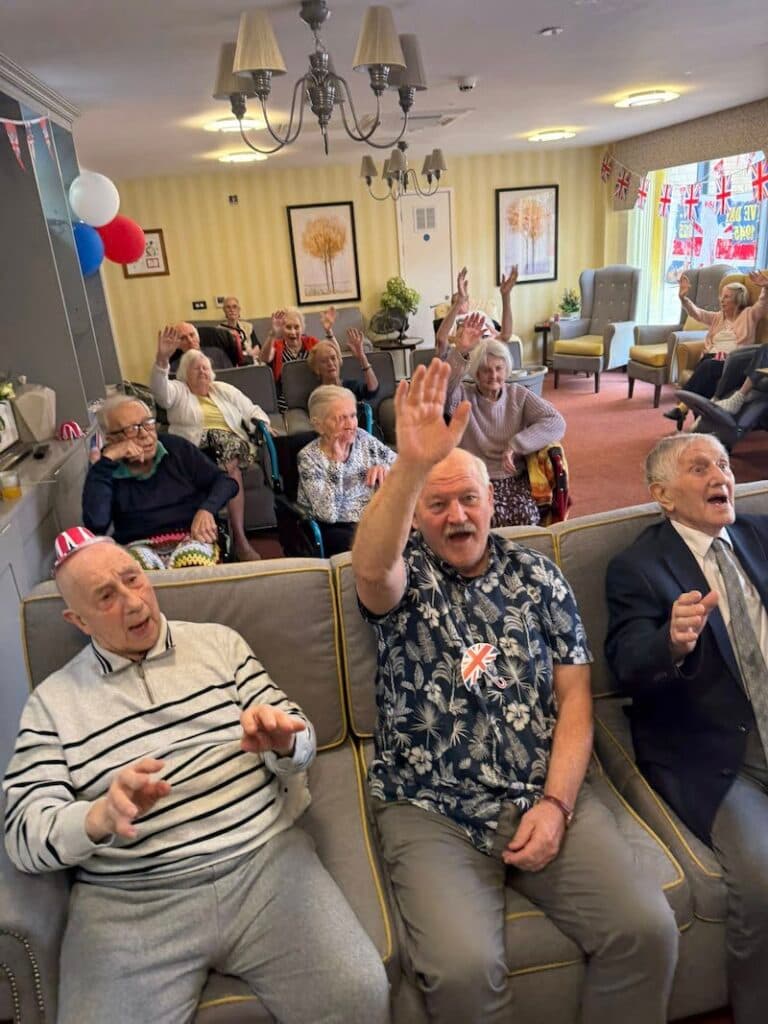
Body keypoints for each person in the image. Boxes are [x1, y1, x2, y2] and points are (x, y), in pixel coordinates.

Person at [351, 359, 678, 1024]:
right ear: (418, 516)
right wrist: (412, 467)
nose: (456, 516)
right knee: (464, 974)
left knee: (648, 931)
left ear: (491, 501)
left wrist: (556, 805)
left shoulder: (539, 576)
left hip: (540, 787)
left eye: (468, 500)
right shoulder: (404, 577)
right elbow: (371, 566)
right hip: (431, 805)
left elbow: (577, 699)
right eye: (437, 505)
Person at [2, 530, 389, 1024]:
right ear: (77, 620)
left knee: (359, 995)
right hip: (131, 900)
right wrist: (97, 817)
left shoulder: (219, 644)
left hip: (265, 864)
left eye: (133, 579)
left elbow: (301, 736)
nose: (133, 602)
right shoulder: (51, 704)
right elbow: (22, 833)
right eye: (106, 596)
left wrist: (285, 742)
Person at [605, 433, 768, 1024]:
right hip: (715, 751)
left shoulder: (760, 535)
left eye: (723, 464)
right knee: (762, 880)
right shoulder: (638, 568)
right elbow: (626, 663)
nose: (720, 476)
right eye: (700, 468)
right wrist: (671, 643)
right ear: (663, 495)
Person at [152, 328, 271, 562]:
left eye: (205, 368)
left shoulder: (223, 389)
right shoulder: (178, 391)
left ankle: (240, 540)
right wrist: (162, 359)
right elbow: (160, 392)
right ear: (184, 374)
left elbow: (251, 409)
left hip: (229, 445)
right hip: (195, 448)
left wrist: (262, 424)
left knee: (228, 453)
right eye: (196, 368)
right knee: (220, 461)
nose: (202, 371)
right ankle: (219, 537)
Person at [83, 395, 237, 569]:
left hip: (191, 537)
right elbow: (96, 525)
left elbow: (226, 482)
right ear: (112, 439)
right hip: (137, 545)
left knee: (192, 561)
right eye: (132, 429)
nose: (144, 434)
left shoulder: (176, 448)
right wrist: (107, 460)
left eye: (148, 423)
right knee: (138, 569)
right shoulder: (104, 470)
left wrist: (207, 509)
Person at [444, 320, 565, 526]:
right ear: (476, 372)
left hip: (512, 477)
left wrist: (516, 444)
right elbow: (444, 390)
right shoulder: (463, 395)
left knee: (527, 517)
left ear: (506, 369)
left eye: (498, 368)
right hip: (474, 477)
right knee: (485, 520)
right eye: (486, 370)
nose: (493, 376)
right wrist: (460, 351)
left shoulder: (518, 395)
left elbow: (556, 422)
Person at [296, 385, 396, 556]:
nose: (351, 425)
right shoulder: (309, 458)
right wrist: (336, 463)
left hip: (372, 517)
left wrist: (385, 468)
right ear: (319, 426)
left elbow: (401, 464)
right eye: (341, 419)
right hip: (336, 526)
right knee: (369, 550)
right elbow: (328, 514)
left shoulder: (362, 438)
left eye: (353, 415)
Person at [663, 271, 768, 429]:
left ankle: (683, 407)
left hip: (733, 362)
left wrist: (765, 287)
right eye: (721, 296)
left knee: (708, 366)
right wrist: (683, 298)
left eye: (726, 297)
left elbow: (762, 304)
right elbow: (697, 314)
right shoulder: (718, 317)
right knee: (707, 369)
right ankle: (701, 420)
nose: (722, 300)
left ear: (738, 300)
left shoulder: (748, 315)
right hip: (712, 359)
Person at [261, 306, 338, 411]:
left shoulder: (311, 342)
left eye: (297, 327)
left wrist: (329, 331)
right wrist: (273, 334)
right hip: (287, 402)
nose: (293, 332)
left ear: (302, 328)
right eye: (288, 327)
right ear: (282, 329)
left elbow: (335, 355)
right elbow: (264, 358)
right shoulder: (277, 346)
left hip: (314, 395)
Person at [435, 265, 517, 356]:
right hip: (466, 345)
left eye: (464, 301)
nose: (461, 305)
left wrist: (506, 296)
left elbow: (503, 335)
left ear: (468, 303)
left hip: (485, 341)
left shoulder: (480, 313)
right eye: (456, 302)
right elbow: (443, 339)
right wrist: (460, 340)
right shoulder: (452, 319)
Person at [308, 328, 379, 400]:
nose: (330, 363)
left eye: (333, 358)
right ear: (317, 369)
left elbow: (372, 391)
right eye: (324, 361)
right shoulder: (317, 396)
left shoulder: (351, 386)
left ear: (339, 361)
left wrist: (362, 357)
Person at [220, 295, 260, 362]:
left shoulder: (248, 326)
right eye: (228, 307)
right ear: (224, 310)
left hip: (249, 358)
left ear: (239, 310)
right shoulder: (219, 330)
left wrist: (251, 354)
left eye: (234, 307)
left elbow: (257, 346)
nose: (231, 310)